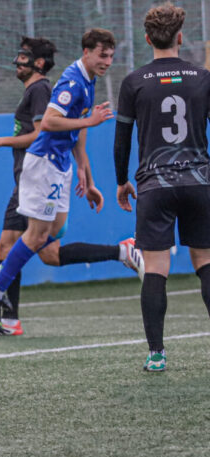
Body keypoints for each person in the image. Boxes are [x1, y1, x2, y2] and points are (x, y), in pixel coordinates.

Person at [0, 36, 144, 336]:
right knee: (36, 237)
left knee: (50, 237)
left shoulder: (87, 81)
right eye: (102, 55)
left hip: (60, 165)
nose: (107, 62)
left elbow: (77, 130)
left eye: (111, 57)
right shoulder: (72, 83)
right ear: (86, 52)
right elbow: (51, 123)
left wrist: (85, 174)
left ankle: (0, 277)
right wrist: (90, 122)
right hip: (44, 165)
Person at [114, 2, 210, 372]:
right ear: (180, 37)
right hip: (199, 182)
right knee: (205, 262)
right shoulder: (203, 77)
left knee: (155, 269)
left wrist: (122, 181)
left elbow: (121, 141)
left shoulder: (134, 81)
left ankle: (157, 354)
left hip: (154, 186)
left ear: (146, 38)